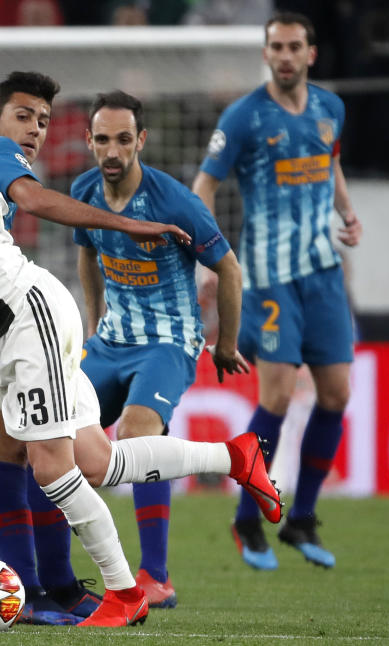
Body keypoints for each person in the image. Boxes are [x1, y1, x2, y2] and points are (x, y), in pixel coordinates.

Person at [0, 72, 281, 627]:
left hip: (25, 321)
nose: (36, 130)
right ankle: (235, 457)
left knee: (47, 466)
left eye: (43, 120)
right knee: (93, 461)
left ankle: (118, 593)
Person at [192, 12, 363, 571]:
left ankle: (303, 519)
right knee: (278, 397)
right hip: (266, 275)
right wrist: (212, 258)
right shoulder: (244, 117)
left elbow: (330, 164)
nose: (284, 55)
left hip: (323, 271)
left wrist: (347, 212)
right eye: (276, 47)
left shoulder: (329, 108)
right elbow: (205, 186)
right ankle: (247, 518)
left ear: (312, 54)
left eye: (294, 46)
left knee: (336, 395)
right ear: (265, 54)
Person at [72, 90, 248, 608]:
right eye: (102, 139)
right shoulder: (83, 190)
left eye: (123, 140)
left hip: (168, 342)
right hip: (109, 342)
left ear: (140, 141)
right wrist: (92, 322)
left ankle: (156, 577)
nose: (112, 150)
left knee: (137, 431)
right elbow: (87, 253)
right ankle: (55, 577)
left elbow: (229, 269)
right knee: (55, 437)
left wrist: (226, 344)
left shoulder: (173, 201)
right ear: (88, 141)